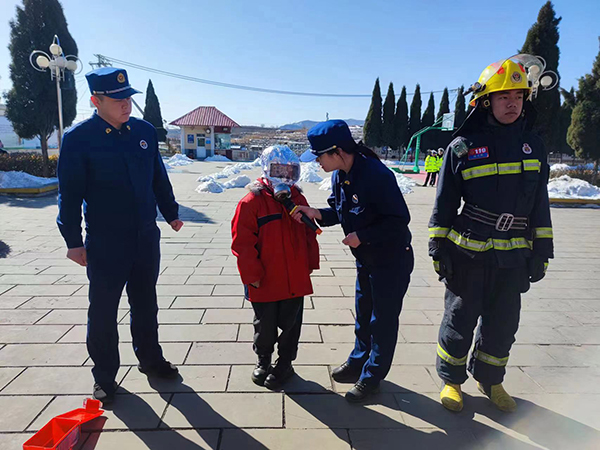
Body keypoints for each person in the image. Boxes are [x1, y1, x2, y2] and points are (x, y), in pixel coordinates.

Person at [428, 55, 554, 413]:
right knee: (460, 320)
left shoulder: (535, 147)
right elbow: (445, 202)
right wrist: (438, 246)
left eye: (518, 96)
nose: (511, 103)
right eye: (503, 97)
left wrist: (542, 248)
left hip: (513, 256)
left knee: (503, 324)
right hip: (468, 251)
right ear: (487, 102)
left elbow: (539, 202)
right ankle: (451, 381)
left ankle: (491, 380)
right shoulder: (462, 147)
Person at [56, 67, 184, 404]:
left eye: (128, 97)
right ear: (96, 101)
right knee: (103, 310)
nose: (126, 104)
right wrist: (72, 241)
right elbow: (68, 194)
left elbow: (158, 176)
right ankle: (105, 376)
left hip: (145, 237)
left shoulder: (142, 131)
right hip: (106, 241)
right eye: (117, 99)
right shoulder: (79, 139)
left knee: (146, 304)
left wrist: (170, 212)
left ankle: (150, 361)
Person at [295, 120, 413, 402]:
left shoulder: (376, 175)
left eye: (319, 155)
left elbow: (400, 222)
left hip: (391, 260)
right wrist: (316, 213)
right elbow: (339, 209)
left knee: (382, 322)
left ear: (336, 151)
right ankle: (358, 361)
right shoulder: (341, 174)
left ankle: (373, 377)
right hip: (367, 260)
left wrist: (363, 235)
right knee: (363, 316)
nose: (317, 162)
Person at [231, 145, 320, 390]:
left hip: (294, 278)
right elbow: (242, 243)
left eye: (290, 173)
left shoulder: (298, 199)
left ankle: (285, 364)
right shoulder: (252, 201)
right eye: (278, 171)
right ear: (266, 170)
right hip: (265, 279)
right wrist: (252, 276)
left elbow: (309, 235)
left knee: (291, 325)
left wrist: (310, 263)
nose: (284, 178)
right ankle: (263, 360)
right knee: (265, 325)